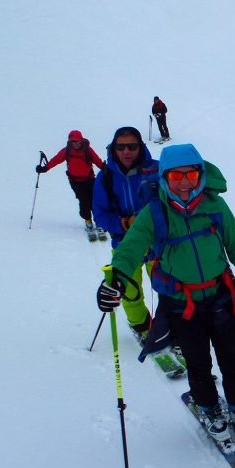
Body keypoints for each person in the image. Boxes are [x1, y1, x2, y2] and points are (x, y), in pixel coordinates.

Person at [96, 144, 235, 445]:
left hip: (221, 296)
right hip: (182, 304)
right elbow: (129, 250)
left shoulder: (214, 206)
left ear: (200, 175)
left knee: (232, 357)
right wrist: (115, 281)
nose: (184, 182)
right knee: (197, 360)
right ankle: (208, 408)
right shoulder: (154, 213)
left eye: (190, 174)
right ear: (165, 178)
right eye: (176, 176)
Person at [92, 126, 159, 344]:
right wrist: (123, 223)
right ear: (114, 149)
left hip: (157, 242)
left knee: (171, 289)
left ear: (140, 147)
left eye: (132, 146)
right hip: (124, 244)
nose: (126, 151)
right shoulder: (106, 178)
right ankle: (143, 328)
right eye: (121, 147)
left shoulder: (157, 170)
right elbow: (100, 214)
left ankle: (172, 328)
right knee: (130, 291)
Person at [37, 130, 105, 235]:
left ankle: (99, 221)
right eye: (73, 141)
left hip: (89, 179)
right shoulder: (67, 151)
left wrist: (105, 169)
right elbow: (56, 160)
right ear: (70, 142)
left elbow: (97, 160)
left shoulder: (87, 150)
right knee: (84, 201)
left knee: (94, 201)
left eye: (77, 141)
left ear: (81, 140)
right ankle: (88, 221)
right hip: (75, 182)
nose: (76, 143)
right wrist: (45, 168)